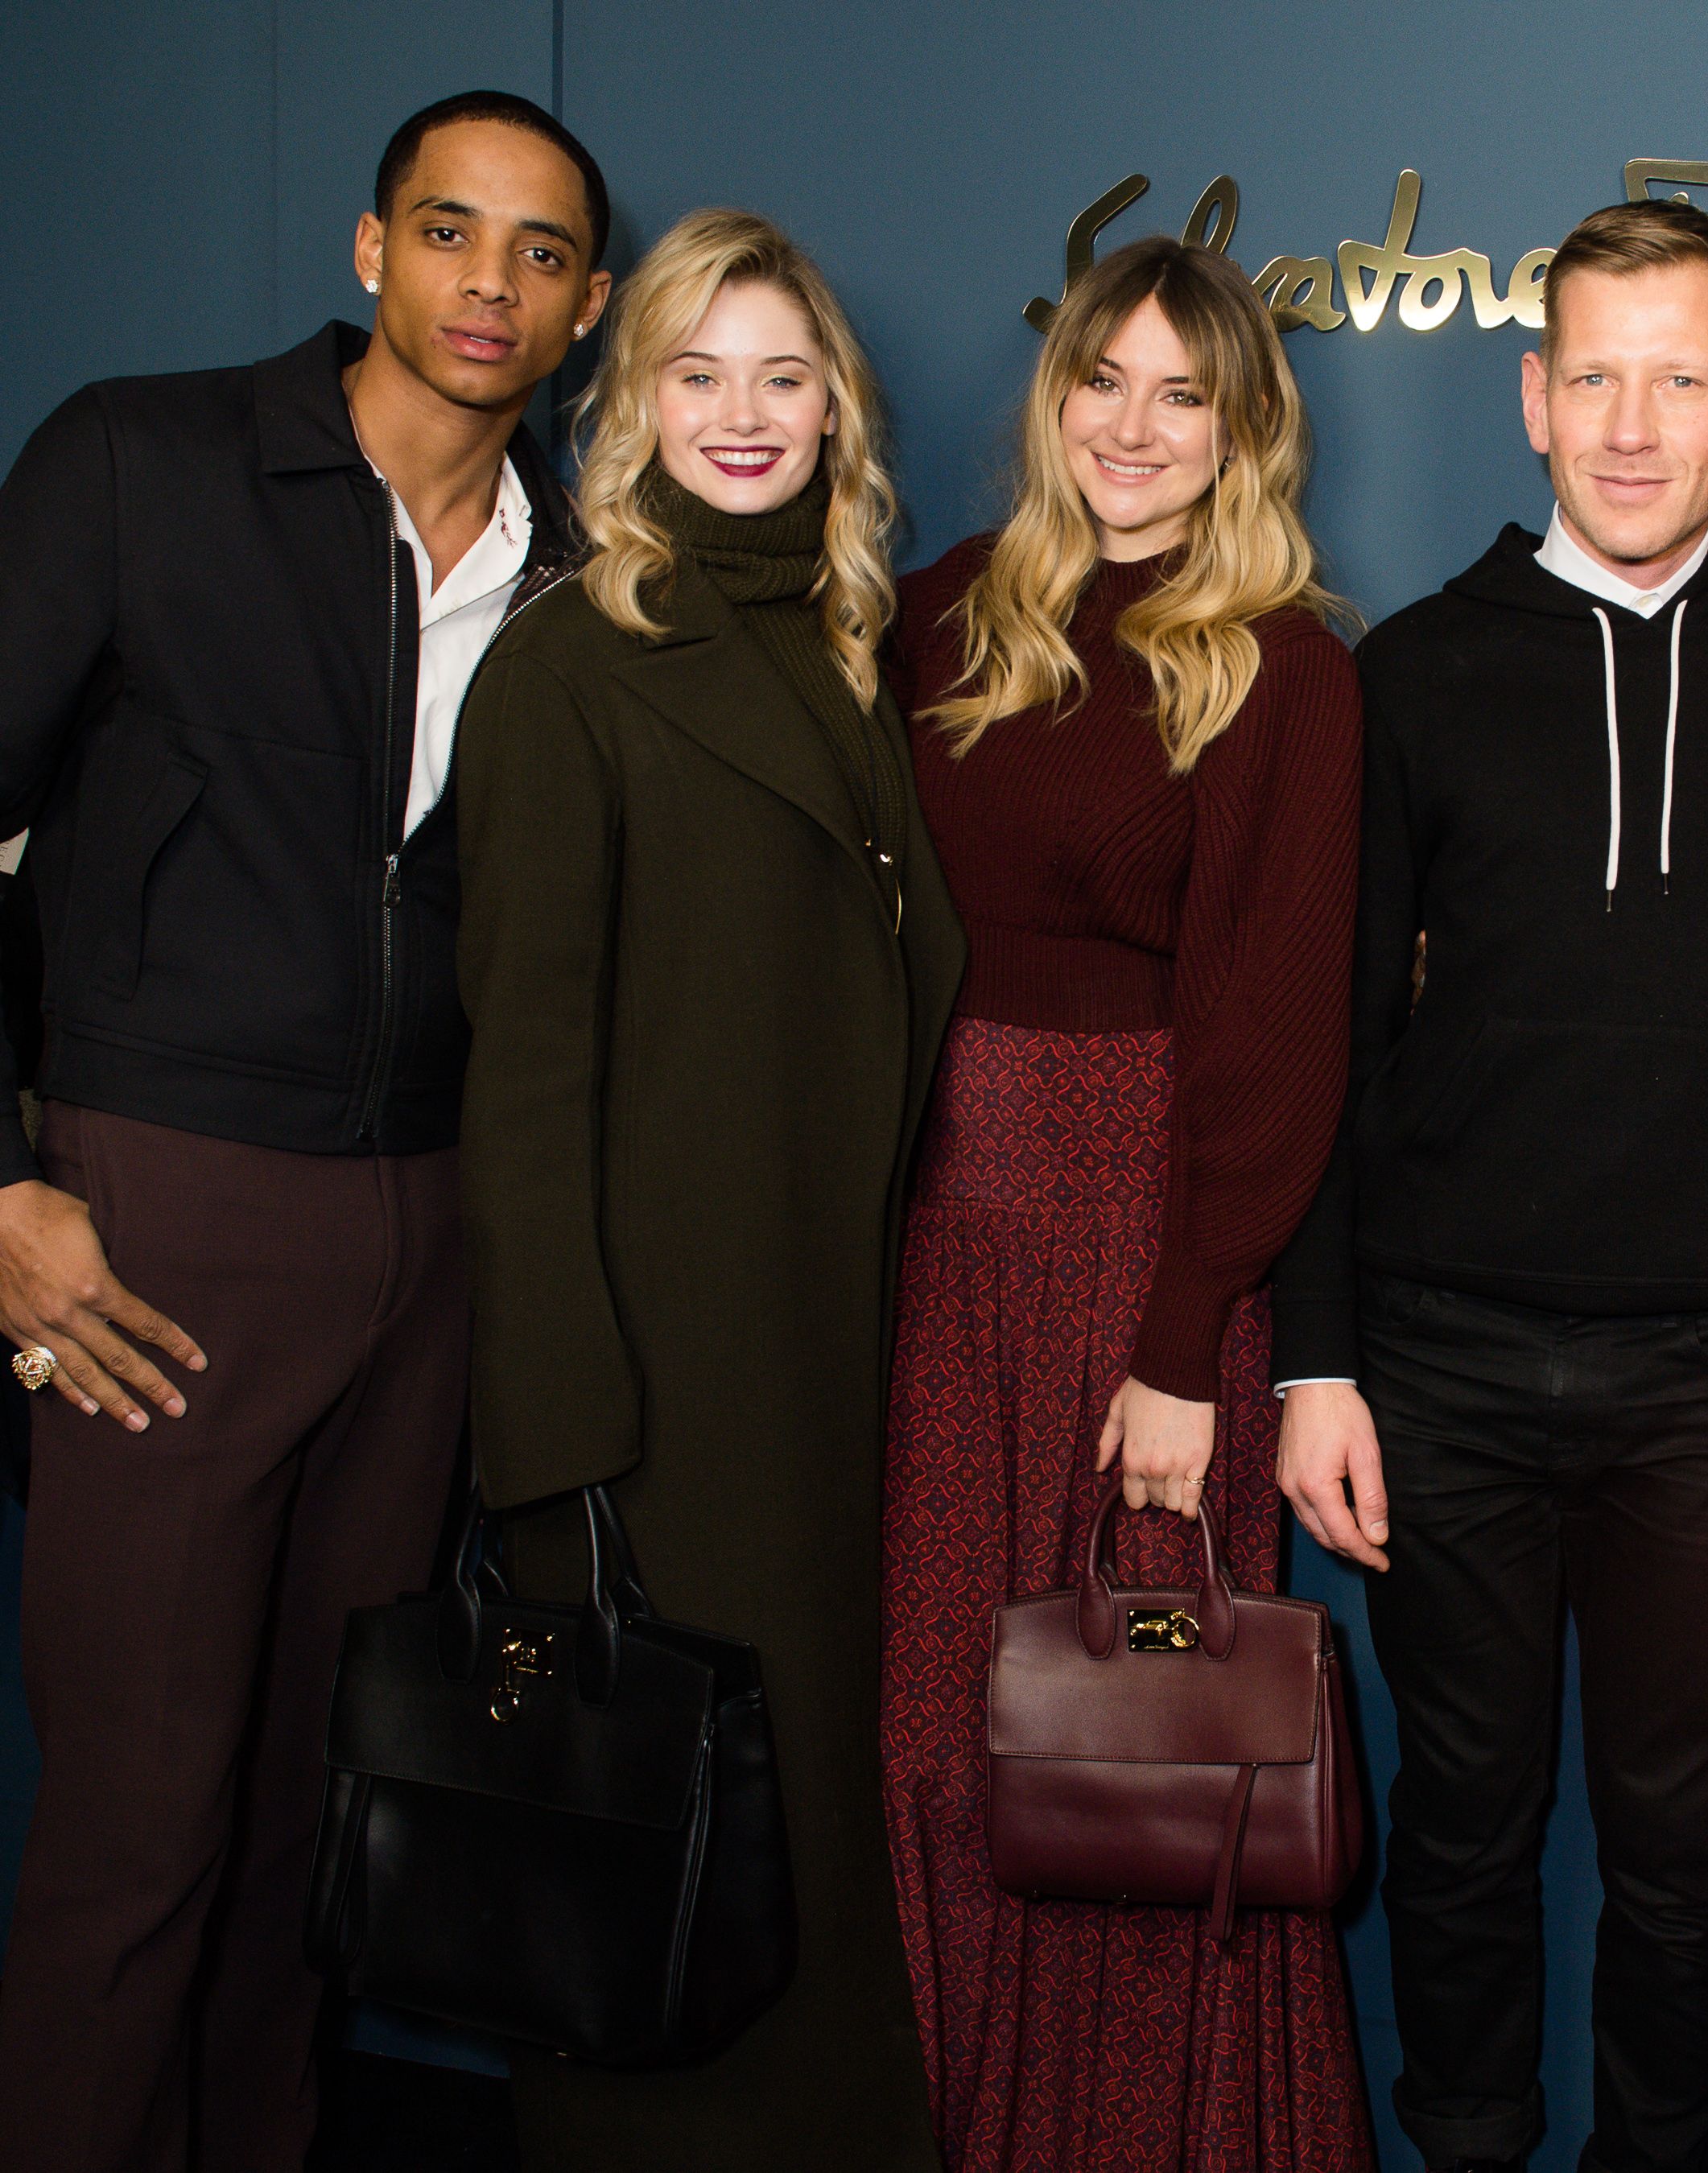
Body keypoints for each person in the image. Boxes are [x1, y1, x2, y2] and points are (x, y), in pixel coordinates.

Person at [1265, 198, 1708, 2173]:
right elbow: (1327, 1045)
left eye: (1683, 380)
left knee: (1683, 1840)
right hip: (1444, 1362)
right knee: (1461, 1827)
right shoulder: (1412, 674)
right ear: (1535, 399)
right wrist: (1316, 1360)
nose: (1635, 428)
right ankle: (1465, 2146)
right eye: (1598, 380)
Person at [0, 91, 606, 2170]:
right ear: (370, 250)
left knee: (302, 1831)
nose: (489, 285)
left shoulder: (578, 574)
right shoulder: (141, 460)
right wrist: (0, 1183)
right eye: (449, 231)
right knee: (136, 1828)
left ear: (586, 306)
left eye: (539, 254)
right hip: (162, 1219)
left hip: (429, 1248)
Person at [454, 208, 963, 2171]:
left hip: (835, 1357)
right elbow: (522, 1083)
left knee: (803, 1837)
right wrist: (558, 1453)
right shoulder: (573, 666)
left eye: (782, 375)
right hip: (661, 1388)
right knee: (668, 1858)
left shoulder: (850, 649)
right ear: (633, 401)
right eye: (697, 373)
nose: (742, 415)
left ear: (836, 408)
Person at [880, 233, 1372, 2171]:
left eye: (1187, 395)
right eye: (1106, 381)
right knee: (941, 1731)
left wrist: (1183, 1348)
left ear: (1244, 431)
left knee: (1137, 1752)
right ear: (1055, 394)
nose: (1137, 429)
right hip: (934, 1252)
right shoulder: (935, 617)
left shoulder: (1282, 666)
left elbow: (1273, 1043)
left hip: (1144, 1254)